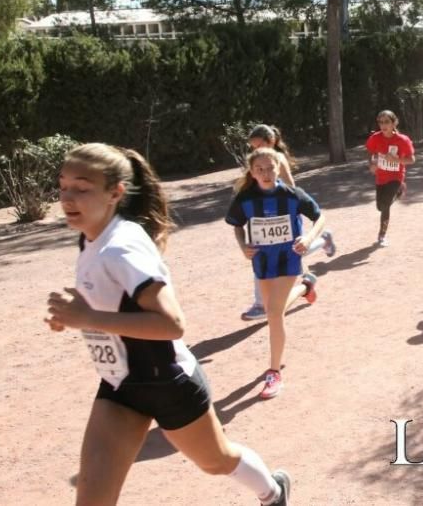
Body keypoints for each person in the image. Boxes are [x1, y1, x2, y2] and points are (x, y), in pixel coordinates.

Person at [48, 143, 291, 506]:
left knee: (218, 460)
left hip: (169, 384)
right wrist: (81, 311)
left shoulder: (123, 246)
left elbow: (171, 324)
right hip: (121, 386)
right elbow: (115, 303)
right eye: (63, 186)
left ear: (115, 193)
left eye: (81, 188)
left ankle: (273, 493)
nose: (68, 197)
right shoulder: (91, 238)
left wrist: (88, 317)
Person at [226, 148, 328, 398]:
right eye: (259, 169)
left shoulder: (293, 195)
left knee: (272, 313)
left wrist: (309, 237)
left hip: (288, 259)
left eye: (270, 167)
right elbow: (237, 226)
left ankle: (274, 373)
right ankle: (306, 288)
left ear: (278, 167)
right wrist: (242, 246)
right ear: (252, 171)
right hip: (262, 262)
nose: (266, 173)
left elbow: (320, 217)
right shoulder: (244, 198)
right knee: (275, 309)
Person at [240, 124, 334, 322]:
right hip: (264, 219)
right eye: (253, 147)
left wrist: (282, 202)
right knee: (266, 253)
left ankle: (261, 304)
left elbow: (291, 186)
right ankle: (324, 240)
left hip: (285, 215)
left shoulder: (277, 159)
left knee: (292, 250)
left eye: (259, 144)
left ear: (271, 141)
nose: (256, 149)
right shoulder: (258, 161)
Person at [366, 110, 416, 246]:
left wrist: (397, 159)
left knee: (385, 204)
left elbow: (412, 160)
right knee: (379, 207)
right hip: (381, 177)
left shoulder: (402, 140)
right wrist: (371, 164)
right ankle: (399, 191)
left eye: (387, 122)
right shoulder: (375, 138)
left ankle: (381, 236)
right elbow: (370, 153)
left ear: (394, 123)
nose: (383, 125)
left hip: (396, 176)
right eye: (380, 122)